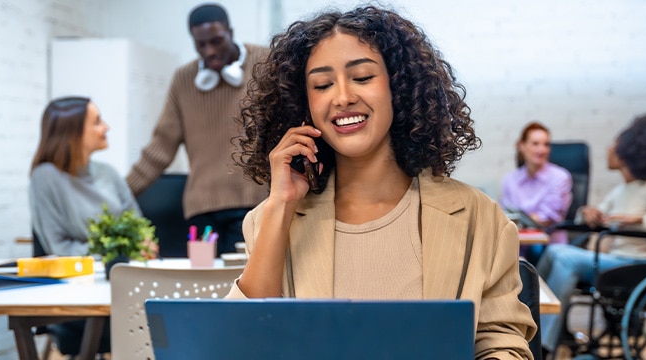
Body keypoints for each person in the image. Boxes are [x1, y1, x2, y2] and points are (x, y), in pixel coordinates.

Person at [227, 6, 535, 359]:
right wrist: (281, 204)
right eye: (323, 85)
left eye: (362, 77)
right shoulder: (269, 221)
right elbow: (246, 342)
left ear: (398, 88)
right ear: (305, 104)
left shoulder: (480, 218)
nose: (342, 97)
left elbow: (501, 342)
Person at [535, 114, 646, 354]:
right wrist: (585, 213)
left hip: (635, 267)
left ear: (629, 150)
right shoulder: (621, 191)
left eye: (615, 143)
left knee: (562, 255)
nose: (609, 148)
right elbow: (596, 217)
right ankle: (537, 326)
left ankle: (543, 344)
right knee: (555, 252)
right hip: (617, 265)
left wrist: (641, 220)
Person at [126, 3, 269, 255]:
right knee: (205, 286)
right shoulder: (184, 79)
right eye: (201, 45)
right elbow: (159, 150)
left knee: (246, 286)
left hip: (254, 204)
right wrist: (120, 193)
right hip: (202, 211)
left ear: (231, 32)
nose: (209, 51)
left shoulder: (265, 63)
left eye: (216, 41)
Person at [29, 96, 146, 357]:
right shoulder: (45, 178)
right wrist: (117, 255)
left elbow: (139, 231)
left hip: (125, 282)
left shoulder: (109, 173)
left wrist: (135, 248)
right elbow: (60, 249)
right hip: (81, 293)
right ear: (71, 133)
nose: (106, 127)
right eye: (96, 122)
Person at [500, 121, 572, 262]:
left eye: (546, 144)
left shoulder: (560, 177)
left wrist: (520, 220)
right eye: (535, 143)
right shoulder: (510, 180)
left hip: (549, 248)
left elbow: (547, 218)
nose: (542, 149)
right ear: (521, 146)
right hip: (517, 246)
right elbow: (506, 216)